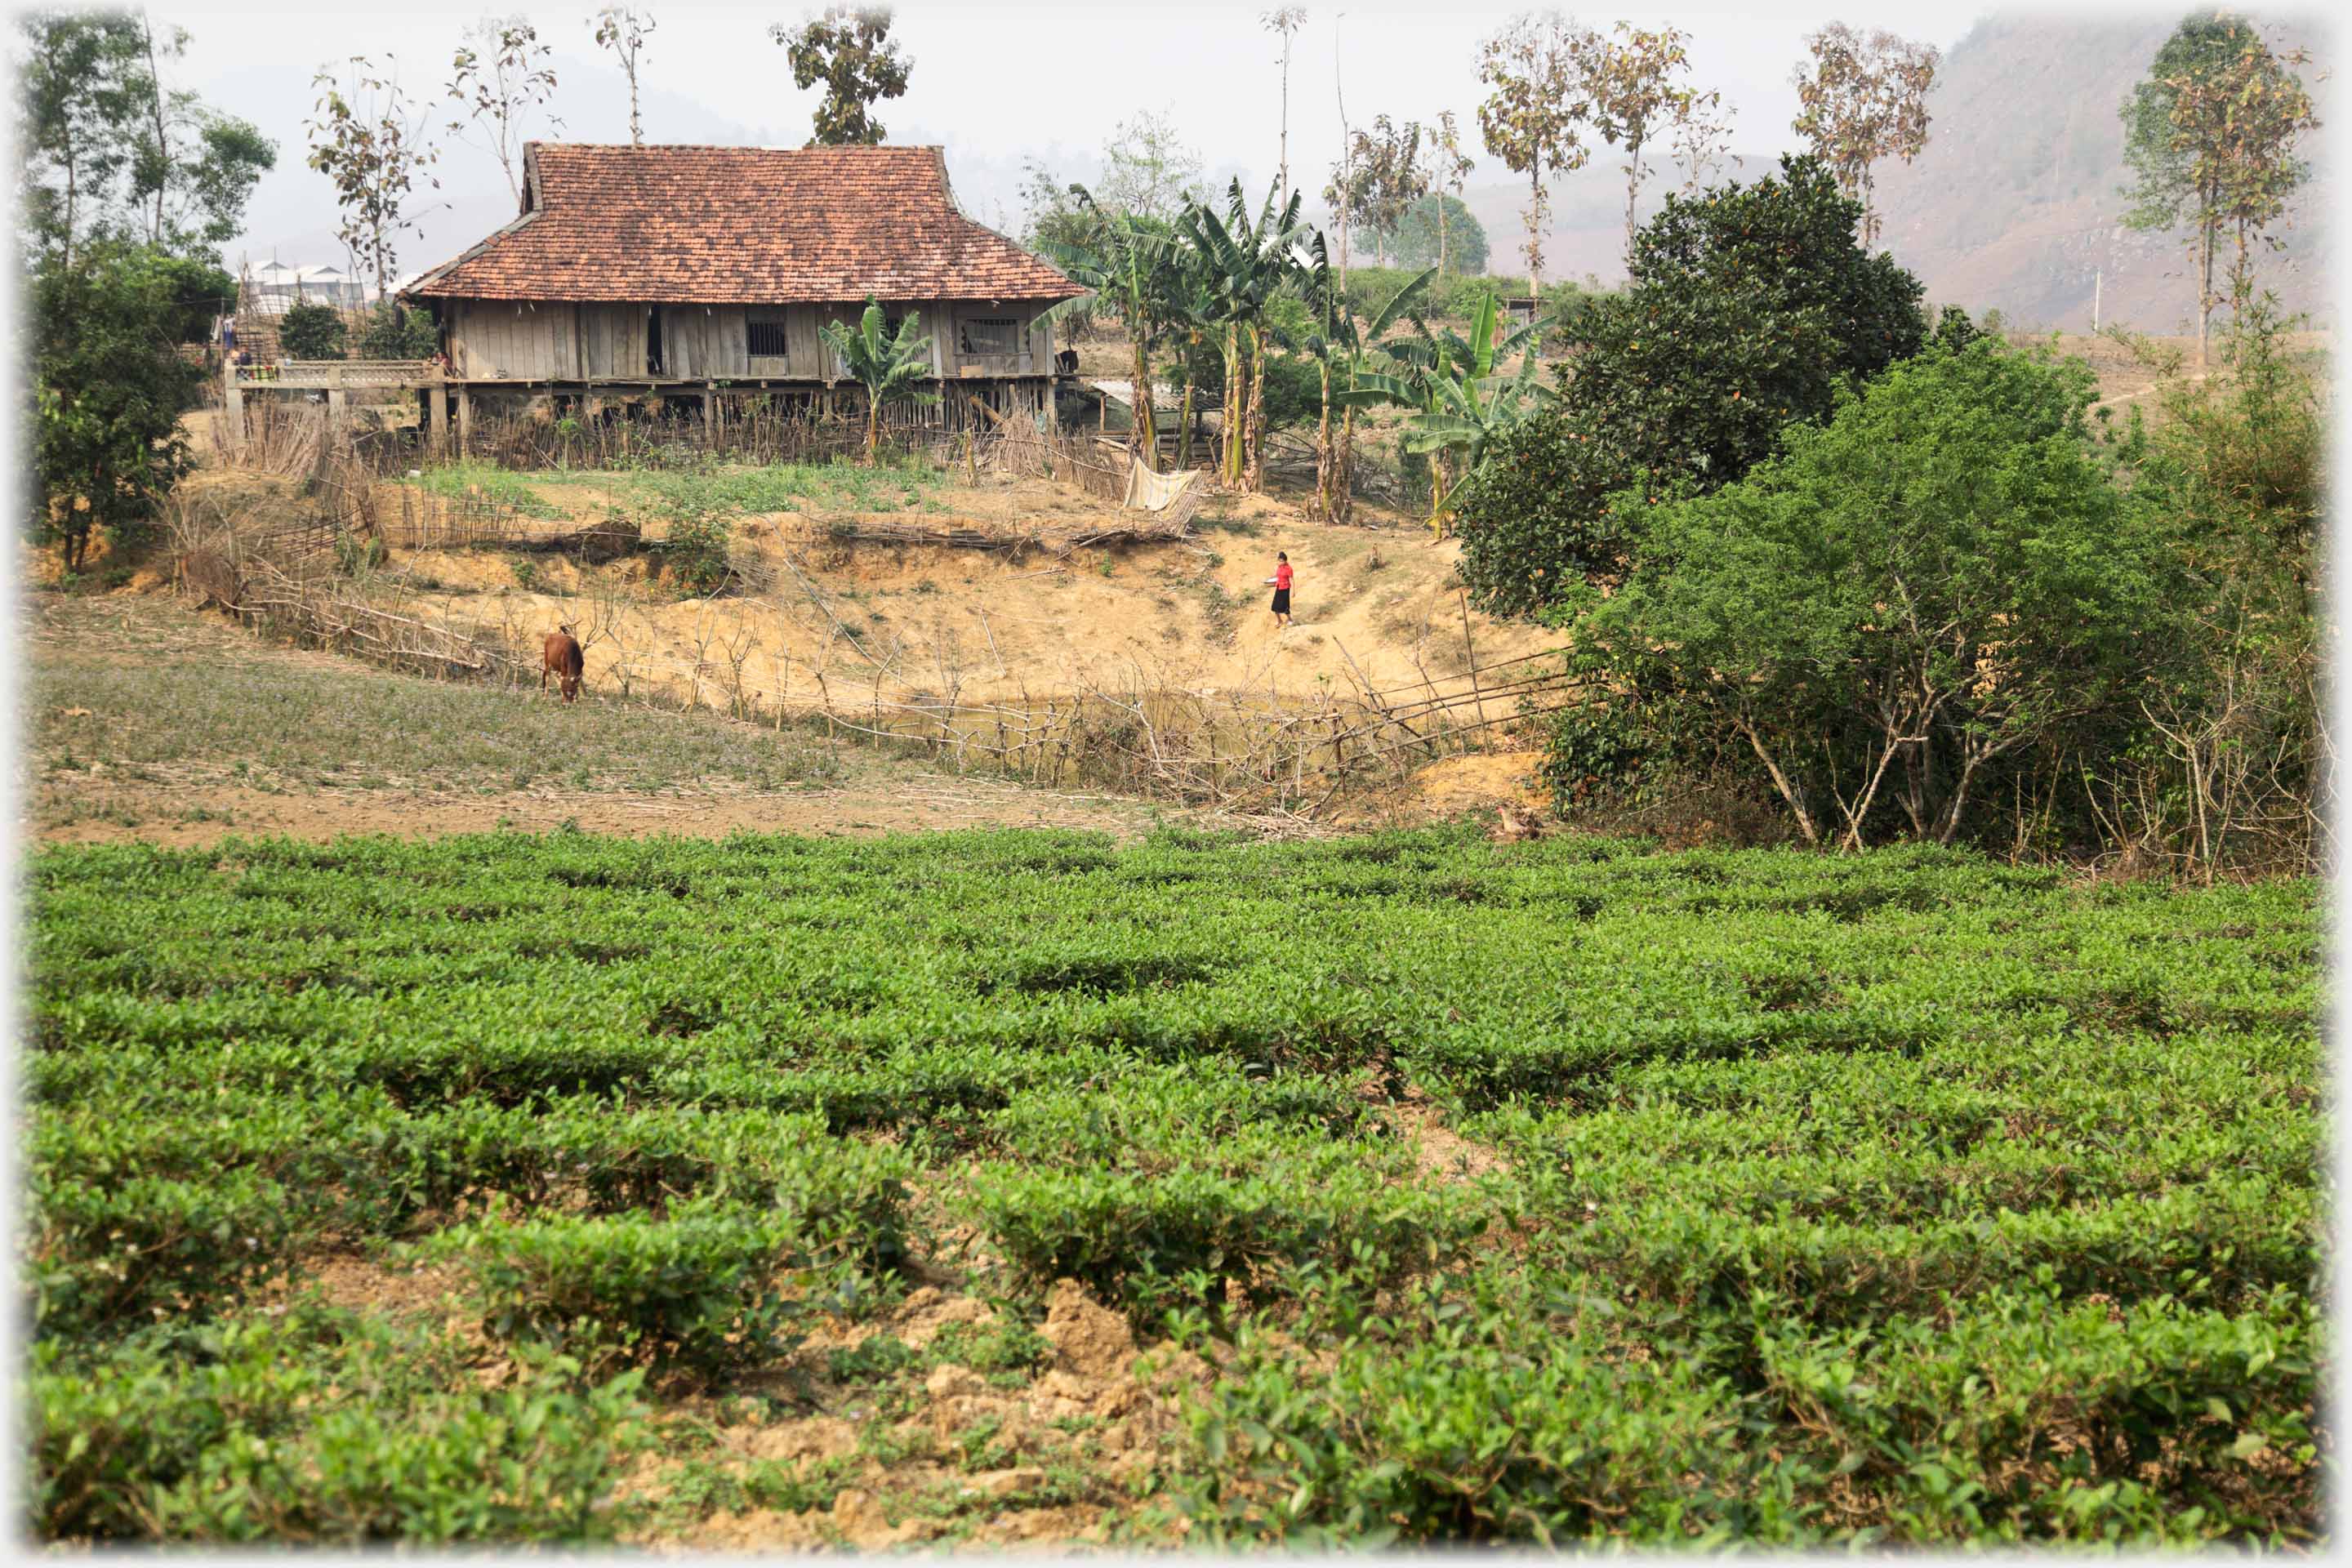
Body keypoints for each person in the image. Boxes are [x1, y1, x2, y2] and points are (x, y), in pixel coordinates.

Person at [1266, 550, 1294, 628]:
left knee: (1285, 607)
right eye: (1280, 560)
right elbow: (1277, 575)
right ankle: (1280, 621)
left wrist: (1293, 591)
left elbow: (1292, 580)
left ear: (1285, 560)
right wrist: (1270, 578)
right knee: (1275, 607)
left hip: (1285, 589)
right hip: (1279, 588)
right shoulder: (1279, 567)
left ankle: (1290, 619)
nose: (1281, 562)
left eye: (1282, 561)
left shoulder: (1289, 569)